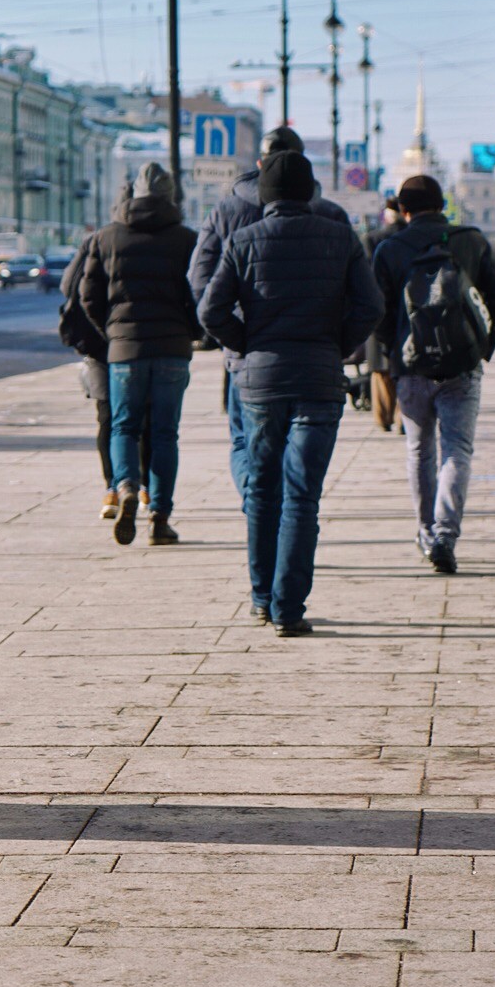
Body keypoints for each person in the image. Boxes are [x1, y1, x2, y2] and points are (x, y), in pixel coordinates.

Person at [198, 151, 382, 635]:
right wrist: (337, 346)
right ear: (309, 191)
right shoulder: (341, 238)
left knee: (262, 492)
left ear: (265, 195)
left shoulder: (242, 239)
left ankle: (261, 598)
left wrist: (248, 343)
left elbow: (210, 311)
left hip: (260, 382)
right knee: (302, 497)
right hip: (319, 378)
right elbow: (370, 305)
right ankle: (288, 609)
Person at [187, 126, 350, 492]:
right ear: (302, 163)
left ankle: (257, 502)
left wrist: (236, 336)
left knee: (246, 442)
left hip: (247, 355)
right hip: (314, 352)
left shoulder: (226, 211)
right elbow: (360, 295)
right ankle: (271, 507)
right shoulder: (328, 214)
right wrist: (337, 341)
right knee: (301, 456)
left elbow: (199, 279)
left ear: (259, 163)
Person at [371, 175, 495, 574]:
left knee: (419, 451)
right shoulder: (470, 240)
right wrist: (483, 346)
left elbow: (375, 311)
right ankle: (446, 536)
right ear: (442, 204)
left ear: (403, 209)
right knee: (457, 449)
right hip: (462, 366)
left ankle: (425, 532)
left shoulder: (389, 248)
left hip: (411, 367)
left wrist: (393, 349)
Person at [82, 162, 200, 546]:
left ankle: (127, 485)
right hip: (172, 349)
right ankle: (160, 517)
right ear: (169, 197)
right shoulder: (186, 239)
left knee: (124, 426)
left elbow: (88, 296)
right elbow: (201, 294)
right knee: (165, 433)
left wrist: (113, 333)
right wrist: (191, 333)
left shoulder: (107, 237)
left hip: (124, 350)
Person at [58, 213, 147, 521]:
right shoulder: (147, 241)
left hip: (98, 346)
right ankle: (143, 486)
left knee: (108, 418)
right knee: (141, 416)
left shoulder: (95, 241)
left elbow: (69, 285)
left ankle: (112, 489)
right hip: (136, 342)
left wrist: (99, 330)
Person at [362, 199, 405, 432]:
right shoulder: (412, 239)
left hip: (378, 310)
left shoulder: (371, 239)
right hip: (408, 310)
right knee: (406, 368)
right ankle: (402, 416)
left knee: (380, 370)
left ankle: (383, 416)